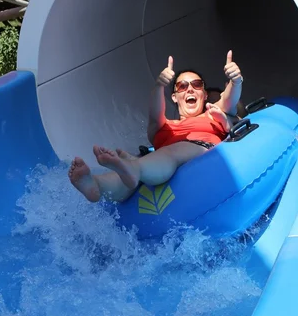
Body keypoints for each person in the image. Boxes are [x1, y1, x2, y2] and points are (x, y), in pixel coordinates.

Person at [68, 51, 243, 203]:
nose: (189, 89)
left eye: (196, 85)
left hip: (201, 152)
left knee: (169, 152)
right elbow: (155, 111)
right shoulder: (163, 126)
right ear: (174, 97)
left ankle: (132, 168)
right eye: (182, 86)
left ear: (204, 95)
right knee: (136, 168)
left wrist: (236, 81)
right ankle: (96, 184)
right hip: (156, 167)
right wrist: (159, 86)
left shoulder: (213, 113)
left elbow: (228, 99)